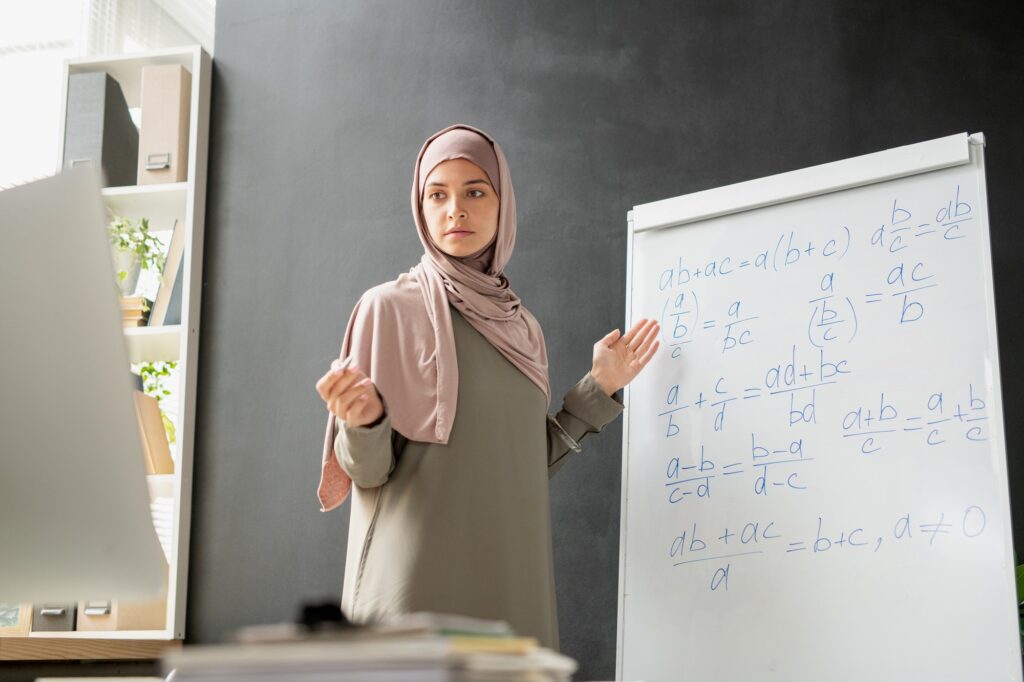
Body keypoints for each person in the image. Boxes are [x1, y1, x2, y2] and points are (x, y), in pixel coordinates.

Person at [314, 123, 659, 651]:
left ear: (504, 206)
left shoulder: (523, 327)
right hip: (414, 593)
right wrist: (361, 422)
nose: (456, 209)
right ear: (422, 208)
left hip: (510, 591)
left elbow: (520, 466)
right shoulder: (388, 308)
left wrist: (600, 387)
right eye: (439, 194)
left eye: (475, 191)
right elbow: (368, 470)